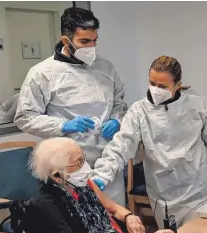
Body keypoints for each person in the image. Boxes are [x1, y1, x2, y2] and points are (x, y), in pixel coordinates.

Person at [91, 56, 207, 228]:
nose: (155, 89)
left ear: (177, 85)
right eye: (152, 83)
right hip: (162, 191)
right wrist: (102, 174)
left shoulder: (197, 105)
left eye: (162, 86)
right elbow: (122, 145)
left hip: (197, 189)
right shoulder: (139, 111)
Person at [14, 7, 127, 206]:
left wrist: (116, 120)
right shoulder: (42, 74)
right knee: (76, 226)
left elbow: (119, 103)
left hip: (106, 160)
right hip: (67, 165)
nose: (91, 47)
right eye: (84, 42)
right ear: (66, 40)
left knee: (115, 220)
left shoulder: (106, 68)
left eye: (94, 40)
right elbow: (25, 117)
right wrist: (63, 126)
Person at [26, 138, 176, 233]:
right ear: (57, 176)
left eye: (83, 158)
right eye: (78, 162)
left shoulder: (83, 184)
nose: (85, 166)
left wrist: (129, 217)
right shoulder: (45, 205)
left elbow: (113, 207)